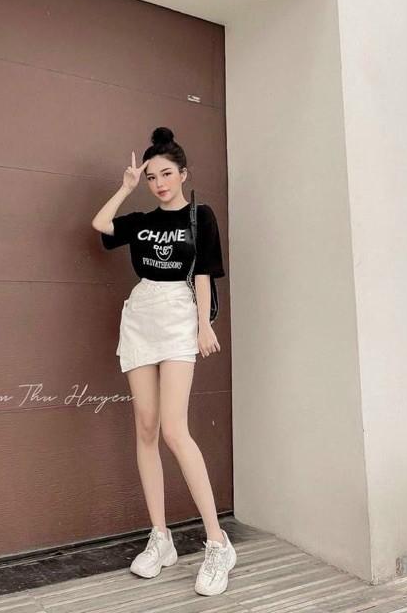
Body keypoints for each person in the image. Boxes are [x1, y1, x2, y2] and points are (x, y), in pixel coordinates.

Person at [91, 126, 237, 597]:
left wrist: (204, 324)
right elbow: (100, 225)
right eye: (152, 176)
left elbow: (205, 272)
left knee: (175, 429)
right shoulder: (140, 219)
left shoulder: (200, 216)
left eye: (166, 174)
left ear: (183, 174)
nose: (159, 183)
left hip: (178, 317)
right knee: (147, 428)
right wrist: (125, 186)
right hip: (140, 316)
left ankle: (217, 543)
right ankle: (161, 538)